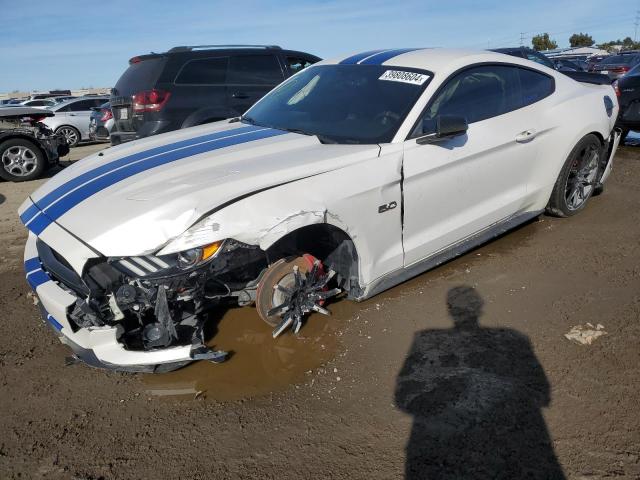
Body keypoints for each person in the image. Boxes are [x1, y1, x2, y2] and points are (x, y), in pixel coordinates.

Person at [395, 285, 565, 479]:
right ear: (480, 307)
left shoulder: (425, 340)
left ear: (450, 310)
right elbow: (542, 394)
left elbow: (403, 400)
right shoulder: (514, 338)